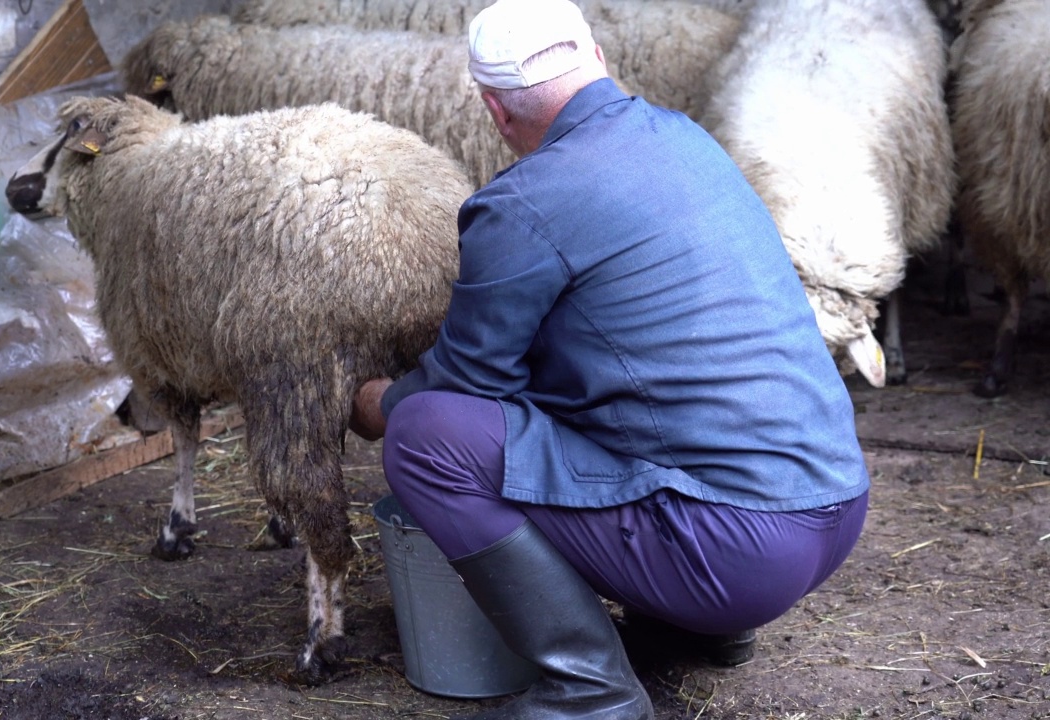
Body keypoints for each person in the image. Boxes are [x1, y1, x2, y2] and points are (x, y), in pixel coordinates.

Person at [349, 0, 871, 718]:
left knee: (427, 438)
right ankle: (701, 630)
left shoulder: (523, 204)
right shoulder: (688, 142)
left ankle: (590, 691)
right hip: (835, 502)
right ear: (597, 58)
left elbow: (470, 383)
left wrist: (381, 402)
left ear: (495, 111)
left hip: (736, 549)